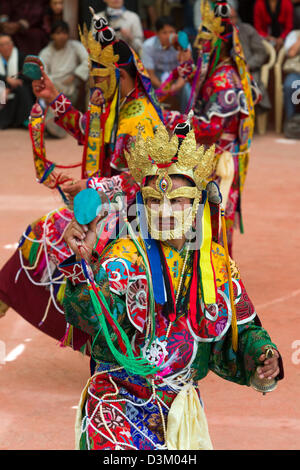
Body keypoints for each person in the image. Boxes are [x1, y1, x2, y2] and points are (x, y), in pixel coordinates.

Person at [59, 117, 284, 450]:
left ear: (196, 205)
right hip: (117, 401)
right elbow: (91, 317)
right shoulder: (125, 256)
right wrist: (83, 265)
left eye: (177, 200)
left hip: (178, 408)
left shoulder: (214, 264)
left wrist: (263, 358)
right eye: (154, 200)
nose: (164, 210)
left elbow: (243, 329)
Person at [0, 15, 163, 353]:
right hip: (108, 204)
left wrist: (94, 186)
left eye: (101, 75)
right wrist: (54, 97)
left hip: (135, 212)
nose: (95, 83)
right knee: (48, 233)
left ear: (119, 74)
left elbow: (141, 177)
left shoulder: (140, 119)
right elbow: (91, 132)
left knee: (44, 232)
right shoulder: (118, 106)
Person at [161, 0, 260, 256]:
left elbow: (210, 129)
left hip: (220, 162)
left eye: (206, 40)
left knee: (215, 219)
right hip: (210, 157)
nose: (199, 46)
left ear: (219, 43)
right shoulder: (218, 71)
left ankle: (220, 278)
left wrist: (173, 119)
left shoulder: (224, 80)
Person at [39, 19, 89, 134]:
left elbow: (88, 60)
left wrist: (75, 75)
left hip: (72, 86)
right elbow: (42, 73)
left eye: (64, 33)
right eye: (58, 33)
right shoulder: (46, 52)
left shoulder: (75, 46)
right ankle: (51, 125)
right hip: (54, 89)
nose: (62, 36)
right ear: (52, 35)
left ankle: (88, 120)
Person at [142, 15, 192, 113]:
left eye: (171, 32)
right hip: (157, 77)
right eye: (164, 32)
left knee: (186, 89)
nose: (169, 36)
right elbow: (150, 74)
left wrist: (176, 86)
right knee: (147, 88)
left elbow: (186, 70)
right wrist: (163, 87)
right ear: (157, 34)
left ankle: (187, 115)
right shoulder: (148, 46)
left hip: (177, 77)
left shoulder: (183, 44)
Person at [229, 4, 272, 114]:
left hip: (248, 70)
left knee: (249, 85)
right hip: (228, 72)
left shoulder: (247, 30)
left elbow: (261, 52)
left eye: (233, 17)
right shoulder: (219, 36)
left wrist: (249, 65)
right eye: (228, 18)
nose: (232, 21)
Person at [0, 34, 34, 129]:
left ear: (12, 45)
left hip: (18, 88)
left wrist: (9, 89)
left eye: (7, 44)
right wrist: (6, 80)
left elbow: (26, 76)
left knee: (23, 89)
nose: (5, 47)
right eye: (2, 45)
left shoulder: (22, 57)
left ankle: (27, 119)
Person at [282, 29, 300, 133]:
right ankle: (291, 123)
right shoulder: (294, 34)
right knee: (289, 86)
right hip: (296, 73)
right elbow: (291, 53)